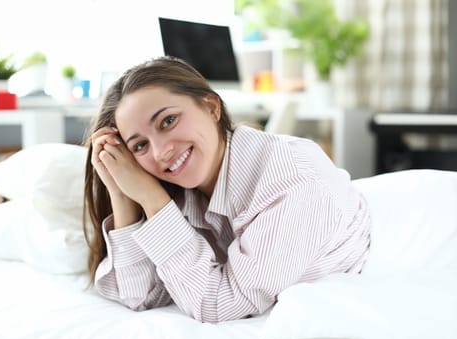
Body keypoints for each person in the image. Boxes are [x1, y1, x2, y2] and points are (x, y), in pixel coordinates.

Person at [83, 56, 371, 323]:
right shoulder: (186, 189)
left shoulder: (293, 180)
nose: (160, 152)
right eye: (140, 145)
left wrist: (152, 199)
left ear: (211, 107)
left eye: (168, 121)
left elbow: (219, 304)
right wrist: (122, 193)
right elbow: (140, 295)